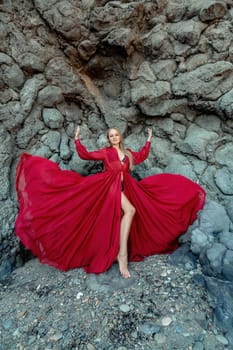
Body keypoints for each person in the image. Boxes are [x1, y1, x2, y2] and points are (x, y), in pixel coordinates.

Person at [15, 126, 206, 279]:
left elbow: (142, 155)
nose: (114, 137)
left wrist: (148, 141)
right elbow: (85, 155)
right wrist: (77, 140)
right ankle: (121, 255)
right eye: (111, 136)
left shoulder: (129, 154)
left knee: (137, 209)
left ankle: (117, 250)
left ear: (120, 137)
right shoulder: (106, 153)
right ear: (109, 139)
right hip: (109, 188)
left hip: (128, 188)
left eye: (116, 135)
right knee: (130, 211)